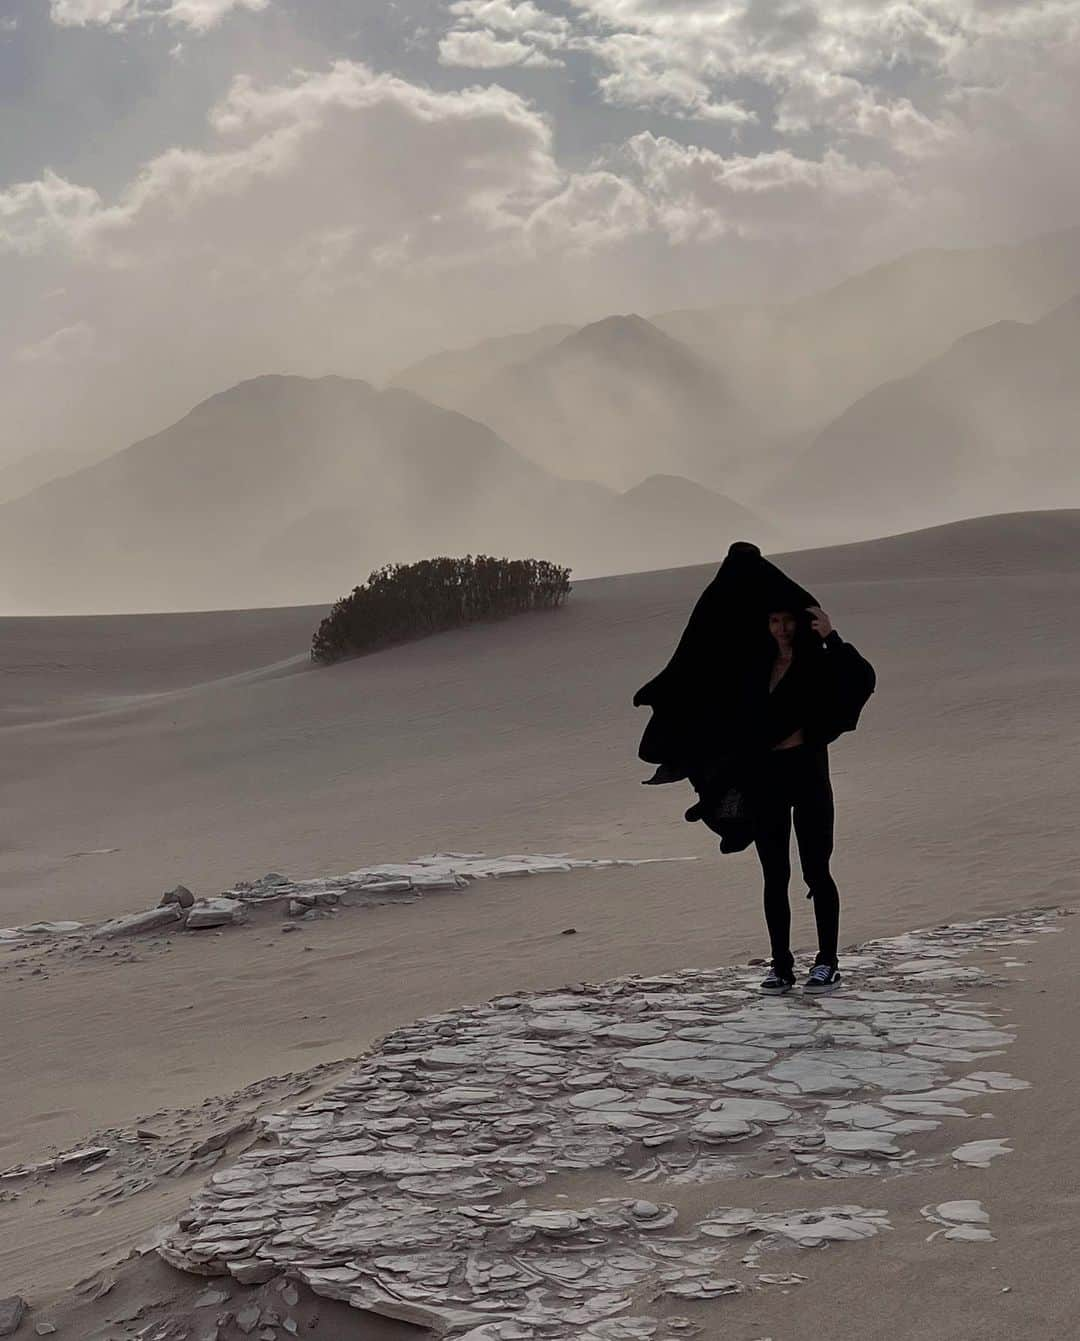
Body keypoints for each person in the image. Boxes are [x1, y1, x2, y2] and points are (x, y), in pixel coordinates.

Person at [632, 541, 876, 996]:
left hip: (807, 773)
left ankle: (827, 962)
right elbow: (708, 673)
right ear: (765, 624)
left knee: (816, 869)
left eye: (788, 620)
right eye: (774, 621)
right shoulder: (752, 667)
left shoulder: (817, 662)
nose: (782, 629)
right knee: (774, 875)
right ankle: (781, 966)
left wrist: (832, 635)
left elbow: (861, 679)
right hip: (765, 776)